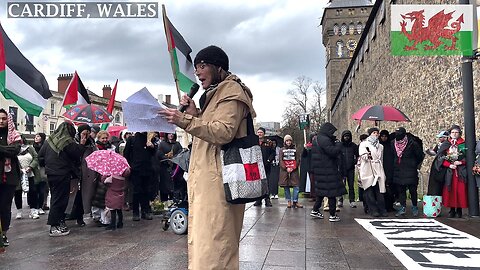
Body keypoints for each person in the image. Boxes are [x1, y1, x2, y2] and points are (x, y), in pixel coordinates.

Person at [159, 45, 256, 269]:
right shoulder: (216, 94)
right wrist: (196, 114)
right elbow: (212, 126)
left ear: (218, 67)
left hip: (218, 181)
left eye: (203, 66)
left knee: (215, 247)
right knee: (209, 244)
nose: (198, 72)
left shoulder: (231, 92)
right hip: (208, 180)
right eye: (196, 68)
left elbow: (223, 131)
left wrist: (184, 120)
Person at [38, 122, 87, 237]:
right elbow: (77, 154)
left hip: (51, 174)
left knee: (55, 198)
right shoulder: (67, 142)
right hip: (62, 173)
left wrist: (49, 166)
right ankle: (54, 226)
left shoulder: (48, 141)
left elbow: (40, 156)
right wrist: (82, 144)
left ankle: (58, 222)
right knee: (60, 199)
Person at [309, 122, 346, 222]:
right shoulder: (324, 139)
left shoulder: (317, 139)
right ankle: (332, 215)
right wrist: (338, 145)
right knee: (331, 193)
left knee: (321, 192)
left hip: (320, 170)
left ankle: (315, 210)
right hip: (328, 170)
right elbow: (332, 152)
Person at [392, 127, 425, 217]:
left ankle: (414, 206)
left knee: (412, 190)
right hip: (398, 169)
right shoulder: (393, 143)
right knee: (401, 190)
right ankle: (403, 207)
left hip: (410, 169)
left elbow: (419, 155)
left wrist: (414, 164)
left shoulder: (412, 143)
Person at [0, 109, 21, 246]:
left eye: (4, 118)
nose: (1, 121)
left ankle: (3, 234)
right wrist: (5, 149)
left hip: (9, 177)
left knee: (4, 207)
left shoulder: (14, 135)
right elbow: (9, 150)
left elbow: (15, 150)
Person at [124, 132, 155, 221]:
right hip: (136, 169)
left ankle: (145, 211)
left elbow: (153, 153)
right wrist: (129, 166)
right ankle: (136, 212)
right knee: (136, 191)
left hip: (147, 169)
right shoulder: (132, 139)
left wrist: (152, 146)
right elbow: (126, 154)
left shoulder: (150, 139)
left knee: (146, 190)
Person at [358, 127, 388, 217]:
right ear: (370, 134)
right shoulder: (364, 144)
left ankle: (382, 209)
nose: (376, 134)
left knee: (380, 190)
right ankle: (373, 209)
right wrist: (367, 155)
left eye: (377, 133)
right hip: (368, 169)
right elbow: (363, 156)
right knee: (369, 190)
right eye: (374, 132)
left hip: (378, 168)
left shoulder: (381, 146)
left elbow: (381, 158)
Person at [441, 125, 467, 218]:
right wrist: (449, 164)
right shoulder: (446, 144)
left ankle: (459, 210)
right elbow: (440, 158)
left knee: (460, 190)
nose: (454, 134)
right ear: (450, 134)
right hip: (450, 171)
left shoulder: (464, 144)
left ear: (459, 133)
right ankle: (451, 210)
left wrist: (461, 162)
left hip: (460, 172)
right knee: (450, 190)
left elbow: (469, 157)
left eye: (456, 132)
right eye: (452, 132)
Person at [18, 135, 43, 220]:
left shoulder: (30, 148)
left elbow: (36, 158)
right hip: (19, 174)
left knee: (33, 191)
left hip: (31, 173)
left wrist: (30, 167)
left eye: (20, 138)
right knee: (18, 192)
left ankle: (33, 210)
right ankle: (19, 211)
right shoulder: (14, 149)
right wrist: (20, 169)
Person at [278, 135, 303, 208]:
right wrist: (286, 168)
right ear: (285, 142)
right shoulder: (281, 150)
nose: (288, 142)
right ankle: (289, 201)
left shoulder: (296, 149)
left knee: (296, 186)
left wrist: (293, 167)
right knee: (286, 186)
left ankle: (295, 201)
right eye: (287, 141)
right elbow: (281, 160)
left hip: (294, 171)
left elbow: (298, 159)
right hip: (284, 171)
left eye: (290, 140)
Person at [254, 127, 275, 207]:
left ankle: (267, 199)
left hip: (266, 165)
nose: (259, 134)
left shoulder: (269, 142)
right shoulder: (254, 142)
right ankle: (258, 199)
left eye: (261, 132)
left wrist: (269, 161)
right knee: (258, 183)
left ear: (264, 133)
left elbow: (273, 153)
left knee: (266, 183)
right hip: (257, 166)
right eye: (258, 132)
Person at [339, 130, 358, 208]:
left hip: (350, 168)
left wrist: (354, 162)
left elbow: (357, 155)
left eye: (348, 136)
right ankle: (340, 199)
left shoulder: (353, 146)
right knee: (341, 185)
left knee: (351, 185)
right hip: (342, 168)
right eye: (345, 136)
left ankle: (352, 200)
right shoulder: (340, 146)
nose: (346, 138)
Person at [379, 130, 396, 212]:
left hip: (390, 169)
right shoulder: (378, 146)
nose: (384, 138)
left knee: (391, 188)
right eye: (382, 136)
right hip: (381, 168)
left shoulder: (391, 145)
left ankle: (390, 205)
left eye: (385, 136)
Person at [33, 133, 48, 213]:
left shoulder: (45, 147)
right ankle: (35, 206)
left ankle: (43, 204)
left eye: (38, 136)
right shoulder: (33, 147)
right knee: (35, 188)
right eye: (35, 136)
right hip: (35, 168)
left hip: (43, 168)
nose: (36, 138)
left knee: (43, 188)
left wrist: (41, 159)